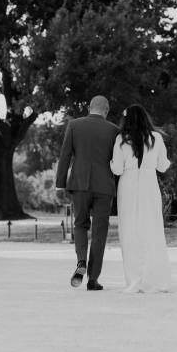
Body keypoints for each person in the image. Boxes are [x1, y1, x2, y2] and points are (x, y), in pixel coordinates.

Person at [55, 95, 119, 291]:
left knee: (80, 225)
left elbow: (65, 155)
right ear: (106, 110)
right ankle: (93, 279)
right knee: (100, 232)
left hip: (80, 184)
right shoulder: (115, 130)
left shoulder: (74, 125)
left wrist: (60, 185)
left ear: (89, 107)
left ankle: (81, 262)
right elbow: (117, 162)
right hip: (104, 187)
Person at [110, 104, 171, 293]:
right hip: (149, 184)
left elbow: (117, 169)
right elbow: (162, 167)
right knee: (152, 230)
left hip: (127, 184)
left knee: (129, 232)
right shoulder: (157, 138)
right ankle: (154, 279)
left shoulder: (121, 139)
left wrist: (111, 163)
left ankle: (134, 279)